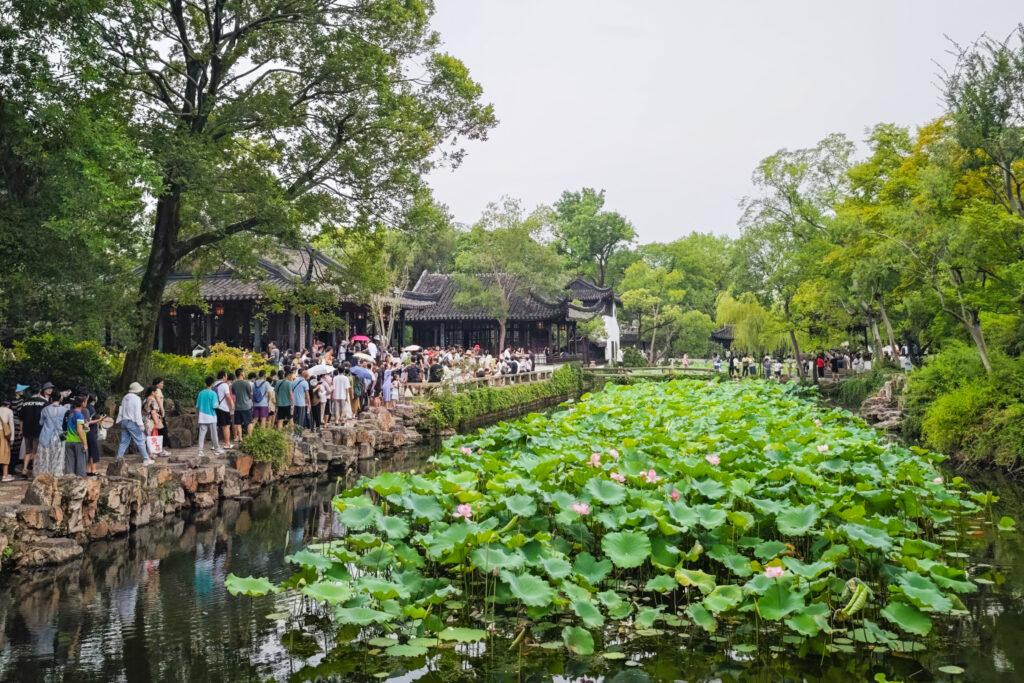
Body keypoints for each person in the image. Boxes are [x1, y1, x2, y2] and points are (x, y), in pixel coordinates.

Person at [17, 383, 49, 477]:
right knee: (35, 452)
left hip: (26, 430)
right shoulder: (44, 402)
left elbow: (21, 418)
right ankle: (34, 471)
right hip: (38, 430)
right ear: (40, 391)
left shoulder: (25, 402)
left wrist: (21, 430)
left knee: (28, 451)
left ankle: (24, 469)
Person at [116, 382, 153, 465]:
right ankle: (146, 459)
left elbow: (121, 410)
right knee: (140, 440)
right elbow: (137, 414)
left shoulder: (125, 397)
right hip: (132, 422)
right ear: (137, 390)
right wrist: (141, 425)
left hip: (124, 421)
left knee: (124, 442)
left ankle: (118, 459)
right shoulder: (136, 399)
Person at [36, 393, 69, 476]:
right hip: (61, 434)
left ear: (51, 399)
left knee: (46, 455)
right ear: (60, 399)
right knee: (59, 454)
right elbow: (66, 424)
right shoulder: (65, 410)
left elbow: (41, 422)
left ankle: (45, 474)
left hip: (47, 434)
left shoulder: (45, 409)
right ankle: (57, 473)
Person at [196, 376, 223, 456]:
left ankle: (200, 451)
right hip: (211, 416)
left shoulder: (201, 393)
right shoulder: (213, 393)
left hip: (202, 416)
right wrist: (218, 405)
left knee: (202, 434)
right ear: (212, 384)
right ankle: (217, 449)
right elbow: (214, 406)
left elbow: (197, 406)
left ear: (206, 383)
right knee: (214, 434)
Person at [64, 395, 89, 476]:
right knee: (81, 464)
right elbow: (79, 430)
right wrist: (85, 444)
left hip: (68, 441)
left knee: (69, 463)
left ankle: (69, 481)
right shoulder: (79, 415)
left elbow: (64, 427)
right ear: (82, 403)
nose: (86, 403)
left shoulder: (69, 413)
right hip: (78, 442)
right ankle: (80, 484)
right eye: (85, 401)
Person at [212, 370, 235, 449]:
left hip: (215, 407)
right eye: (226, 376)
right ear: (223, 377)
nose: (227, 377)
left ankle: (214, 445)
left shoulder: (214, 384)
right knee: (226, 426)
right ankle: (227, 444)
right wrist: (232, 405)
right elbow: (228, 396)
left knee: (216, 426)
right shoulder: (224, 385)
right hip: (223, 408)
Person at [150, 377, 172, 456]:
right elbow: (159, 401)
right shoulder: (157, 390)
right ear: (157, 383)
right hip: (158, 413)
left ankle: (157, 449)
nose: (163, 384)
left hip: (155, 413)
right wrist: (162, 411)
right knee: (162, 431)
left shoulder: (152, 390)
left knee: (157, 431)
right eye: (161, 383)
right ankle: (160, 449)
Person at [231, 369, 253, 441]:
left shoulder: (233, 384)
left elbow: (234, 395)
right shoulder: (246, 383)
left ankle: (240, 438)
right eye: (243, 372)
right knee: (249, 422)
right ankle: (250, 437)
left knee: (238, 423)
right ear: (241, 374)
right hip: (246, 406)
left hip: (237, 407)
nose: (244, 373)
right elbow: (250, 395)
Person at [84, 394, 103, 476]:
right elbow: (88, 421)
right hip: (91, 432)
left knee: (90, 452)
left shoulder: (86, 407)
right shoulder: (91, 408)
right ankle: (93, 470)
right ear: (94, 399)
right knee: (93, 452)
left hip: (87, 433)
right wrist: (99, 419)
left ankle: (88, 470)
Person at [142, 386, 163, 456]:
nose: (157, 392)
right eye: (156, 391)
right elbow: (153, 412)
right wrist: (157, 422)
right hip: (150, 420)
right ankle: (151, 453)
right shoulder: (152, 400)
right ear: (152, 392)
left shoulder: (145, 399)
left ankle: (149, 453)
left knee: (147, 436)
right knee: (152, 436)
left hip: (145, 420)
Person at [0, 398, 14, 482]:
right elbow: (11, 425)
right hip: (3, 433)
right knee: (5, 453)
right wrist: (12, 439)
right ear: (9, 405)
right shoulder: (9, 411)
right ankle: (5, 476)